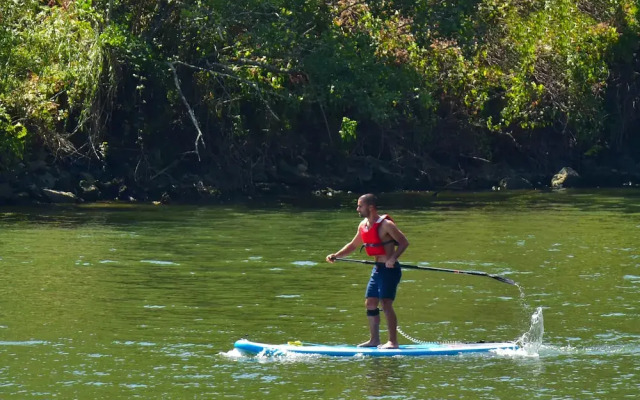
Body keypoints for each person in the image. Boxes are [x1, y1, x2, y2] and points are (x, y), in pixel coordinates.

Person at [326, 193, 409, 349]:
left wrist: (393, 258)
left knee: (385, 303)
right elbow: (352, 245)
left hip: (390, 270)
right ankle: (374, 340)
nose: (357, 209)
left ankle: (393, 342)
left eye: (360, 206)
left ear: (370, 207)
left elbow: (404, 243)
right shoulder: (363, 225)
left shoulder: (386, 225)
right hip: (377, 269)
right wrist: (336, 255)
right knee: (370, 303)